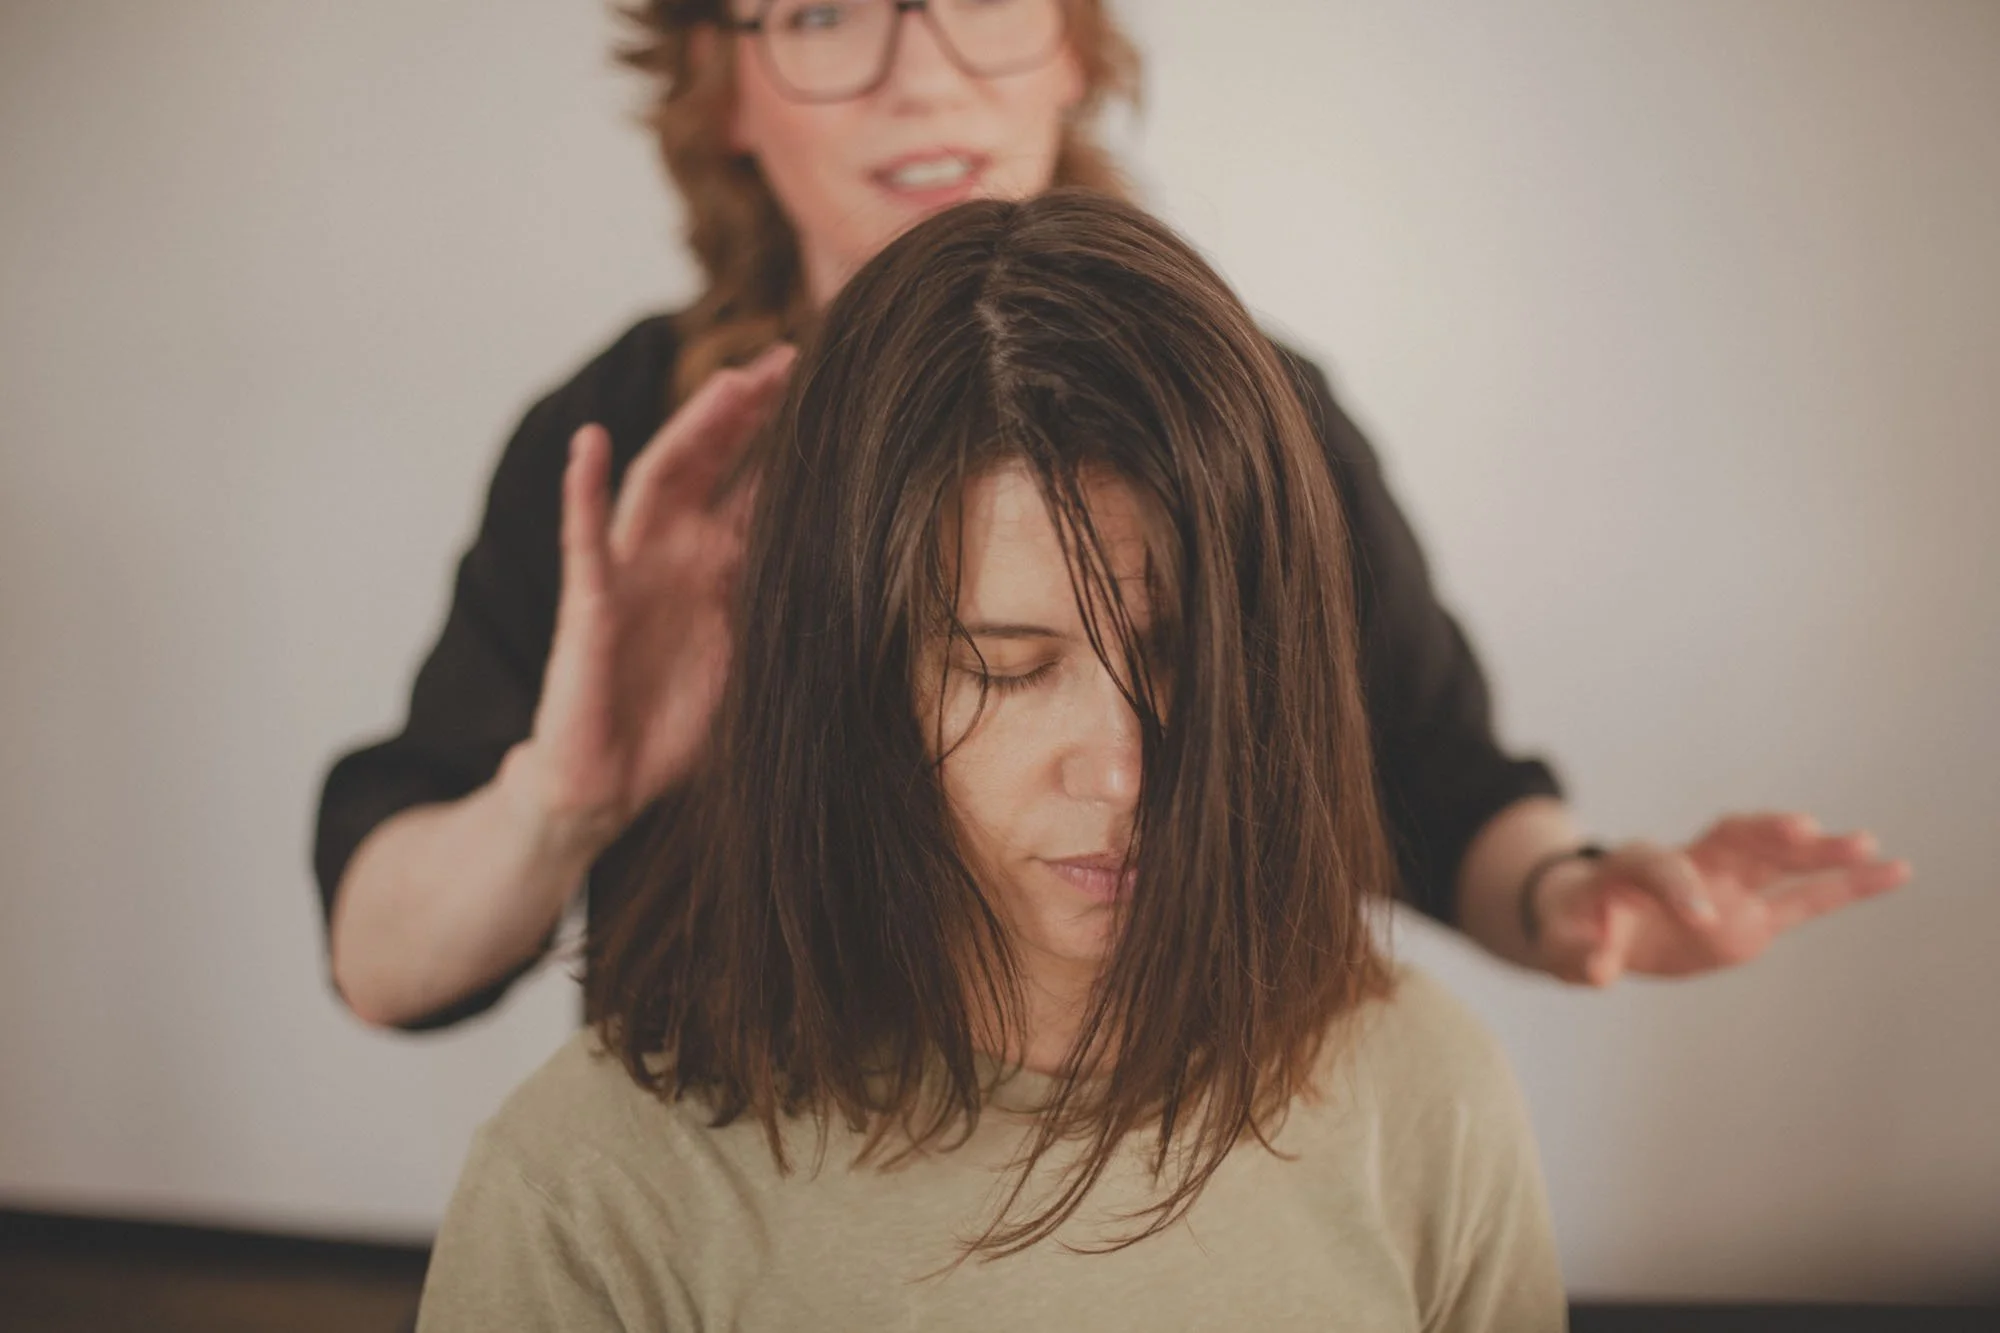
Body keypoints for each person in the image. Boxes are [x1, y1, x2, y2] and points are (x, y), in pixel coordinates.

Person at [316, 0, 1908, 1032]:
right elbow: (385, 964)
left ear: (1078, 47)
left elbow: (1435, 780)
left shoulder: (1258, 412)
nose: (921, 68)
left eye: (988, 0)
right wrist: (562, 802)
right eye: (821, 12)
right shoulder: (619, 451)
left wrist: (1580, 897)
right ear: (723, 86)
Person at [415, 190, 1566, 1332]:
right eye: (1007, 668)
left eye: (1179, 657)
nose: (1122, 772)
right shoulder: (590, 1190)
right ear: (852, 675)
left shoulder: (1426, 1098)